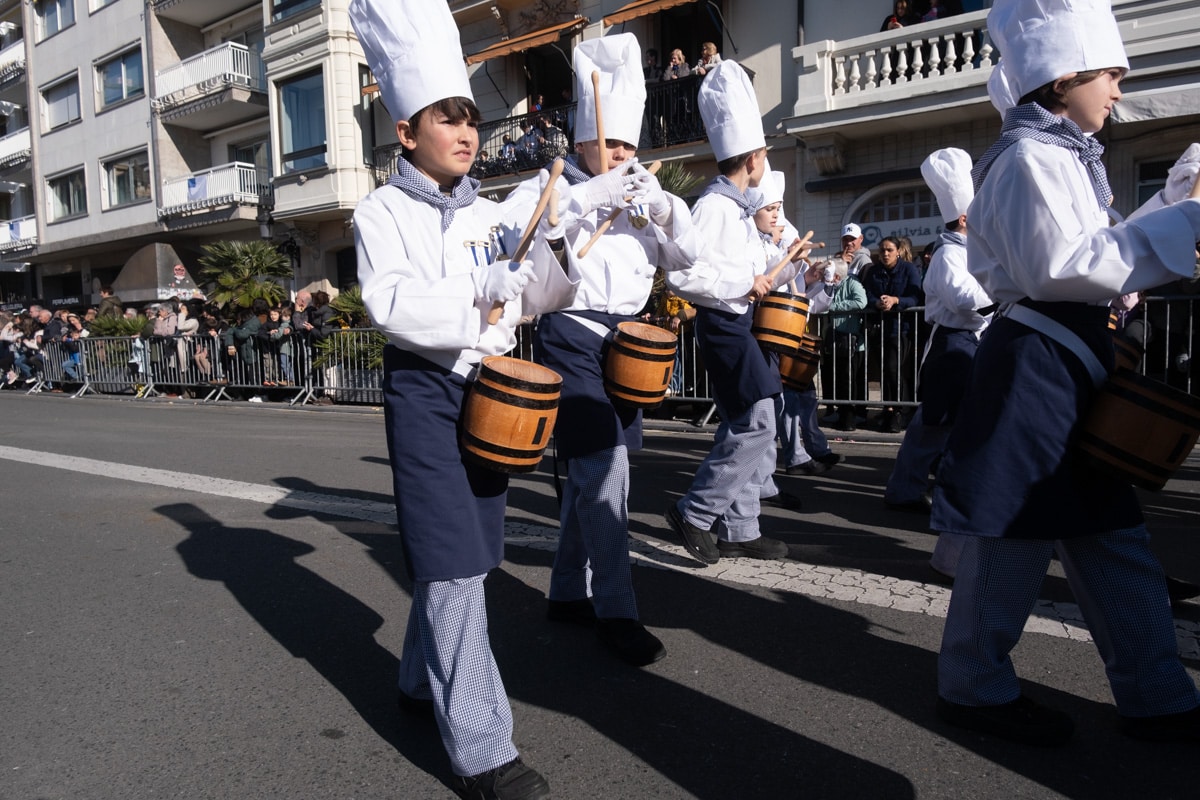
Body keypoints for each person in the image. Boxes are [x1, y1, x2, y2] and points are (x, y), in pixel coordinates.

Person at [932, 0, 1200, 747]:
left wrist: (1176, 204)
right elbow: (1062, 266)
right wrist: (1184, 222)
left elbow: (1100, 253)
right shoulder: (1029, 158)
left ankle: (1157, 693)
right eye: (1110, 74)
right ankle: (972, 687)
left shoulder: (1062, 156)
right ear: (1063, 79)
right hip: (1036, 367)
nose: (1118, 89)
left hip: (1064, 363)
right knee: (1014, 534)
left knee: (1109, 531)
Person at [349, 1, 578, 796]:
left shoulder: (491, 210)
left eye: (471, 117)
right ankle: (484, 751)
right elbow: (389, 304)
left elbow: (537, 298)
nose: (466, 131)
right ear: (405, 131)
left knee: (469, 556)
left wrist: (550, 240)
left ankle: (419, 681)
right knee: (450, 566)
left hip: (491, 394)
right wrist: (479, 286)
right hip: (425, 392)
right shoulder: (379, 211)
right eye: (446, 117)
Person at [520, 33, 702, 668]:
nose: (621, 156)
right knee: (607, 469)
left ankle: (568, 591)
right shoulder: (553, 183)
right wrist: (589, 197)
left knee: (595, 474)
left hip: (626, 343)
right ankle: (617, 610)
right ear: (581, 142)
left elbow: (687, 259)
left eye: (628, 146)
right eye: (610, 145)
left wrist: (663, 208)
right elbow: (530, 235)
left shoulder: (640, 193)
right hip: (571, 333)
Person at [665, 60, 811, 565]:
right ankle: (696, 512)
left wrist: (793, 265)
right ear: (753, 158)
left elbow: (759, 277)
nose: (766, 159)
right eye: (765, 152)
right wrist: (743, 283)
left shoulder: (741, 210)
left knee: (748, 423)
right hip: (724, 328)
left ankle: (741, 527)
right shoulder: (714, 208)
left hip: (737, 325)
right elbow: (682, 276)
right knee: (758, 424)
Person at [884, 148, 991, 532]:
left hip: (968, 344)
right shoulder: (948, 255)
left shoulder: (970, 251)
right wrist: (1003, 288)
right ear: (964, 218)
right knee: (932, 425)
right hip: (952, 345)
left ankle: (923, 489)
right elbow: (964, 298)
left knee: (951, 425)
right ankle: (903, 491)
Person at [752, 169, 842, 476]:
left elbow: (803, 301)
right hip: (771, 335)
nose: (777, 220)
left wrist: (816, 280)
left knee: (802, 397)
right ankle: (793, 458)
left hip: (790, 335)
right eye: (771, 211)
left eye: (778, 211)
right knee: (782, 400)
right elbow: (773, 291)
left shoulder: (782, 256)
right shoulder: (762, 251)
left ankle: (809, 450)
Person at [861, 235, 923, 432]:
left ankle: (898, 411)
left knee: (894, 369)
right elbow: (867, 294)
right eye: (882, 250)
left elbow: (915, 297)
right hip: (879, 328)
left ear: (898, 251)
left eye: (889, 250)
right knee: (884, 371)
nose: (885, 254)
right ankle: (888, 409)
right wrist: (876, 303)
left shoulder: (909, 269)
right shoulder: (874, 271)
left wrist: (896, 300)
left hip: (901, 328)